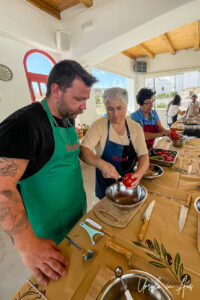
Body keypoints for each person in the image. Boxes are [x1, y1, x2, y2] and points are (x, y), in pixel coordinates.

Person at [0, 60, 97, 286]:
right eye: (79, 99)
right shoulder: (24, 125)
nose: (83, 107)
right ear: (56, 90)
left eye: (86, 100)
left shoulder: (66, 117)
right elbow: (2, 186)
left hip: (76, 216)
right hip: (47, 232)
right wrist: (26, 244)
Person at [80, 87, 149, 200]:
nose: (115, 114)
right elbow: (83, 151)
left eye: (119, 108)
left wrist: (139, 173)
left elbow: (144, 156)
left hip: (128, 182)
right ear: (105, 108)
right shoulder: (99, 126)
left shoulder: (135, 128)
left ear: (126, 107)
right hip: (104, 183)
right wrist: (101, 164)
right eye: (110, 109)